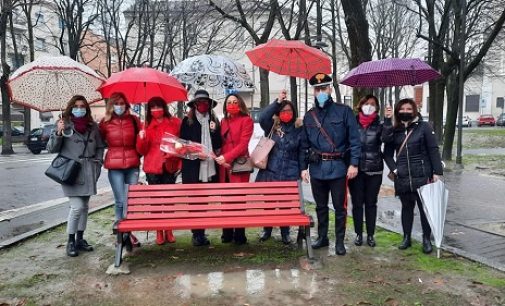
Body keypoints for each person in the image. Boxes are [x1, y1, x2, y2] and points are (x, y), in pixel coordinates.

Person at [300, 73, 361, 256]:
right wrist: (303, 168)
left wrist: (354, 164)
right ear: (313, 91)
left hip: (339, 168)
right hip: (317, 168)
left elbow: (355, 140)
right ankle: (323, 237)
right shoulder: (309, 116)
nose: (320, 92)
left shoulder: (344, 112)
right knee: (320, 206)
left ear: (329, 89)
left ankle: (340, 241)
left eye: (323, 88)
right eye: (317, 89)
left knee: (340, 207)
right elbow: (304, 144)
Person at [383, 98, 443, 254]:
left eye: (409, 109)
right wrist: (395, 170)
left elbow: (433, 149)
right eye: (402, 109)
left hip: (423, 175)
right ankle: (406, 237)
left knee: (425, 210)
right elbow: (387, 153)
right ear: (397, 111)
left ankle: (426, 239)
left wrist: (437, 172)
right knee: (406, 208)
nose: (405, 111)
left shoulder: (424, 127)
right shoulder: (394, 130)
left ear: (414, 110)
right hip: (403, 177)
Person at [47, 95, 105, 257]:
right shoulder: (63, 123)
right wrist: (58, 132)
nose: (79, 109)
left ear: (86, 108)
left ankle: (80, 239)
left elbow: (100, 146)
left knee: (85, 207)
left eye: (82, 106)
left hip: (89, 171)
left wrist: (98, 162)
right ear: (71, 107)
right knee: (77, 207)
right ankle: (70, 241)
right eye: (76, 106)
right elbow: (51, 148)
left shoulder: (92, 126)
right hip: (70, 172)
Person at [256, 89, 302, 245]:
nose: (286, 113)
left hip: (290, 172)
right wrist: (277, 102)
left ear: (293, 112)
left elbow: (302, 151)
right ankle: (267, 230)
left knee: (285, 205)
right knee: (269, 204)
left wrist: (302, 170)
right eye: (282, 111)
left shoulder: (298, 129)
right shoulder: (272, 126)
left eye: (288, 111)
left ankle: (285, 233)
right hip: (272, 172)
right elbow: (262, 117)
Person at [136, 96, 182, 245]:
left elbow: (181, 144)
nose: (156, 110)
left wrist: (175, 155)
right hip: (153, 166)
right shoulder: (146, 125)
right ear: (149, 110)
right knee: (156, 200)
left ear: (165, 107)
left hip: (170, 164)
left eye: (159, 106)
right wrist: (141, 138)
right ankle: (159, 231)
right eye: (153, 107)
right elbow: (142, 150)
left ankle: (169, 229)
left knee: (168, 199)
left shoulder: (175, 122)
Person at [348, 95, 392, 248]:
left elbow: (387, 139)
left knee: (371, 203)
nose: (369, 106)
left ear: (377, 108)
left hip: (374, 170)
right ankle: (359, 234)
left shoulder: (379, 124)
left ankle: (371, 235)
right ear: (360, 106)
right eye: (366, 104)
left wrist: (387, 120)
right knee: (357, 203)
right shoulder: (353, 123)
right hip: (356, 170)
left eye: (372, 104)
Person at [180, 89, 222, 246]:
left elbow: (218, 145)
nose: (202, 105)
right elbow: (182, 146)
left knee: (204, 200)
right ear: (194, 105)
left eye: (205, 102)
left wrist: (214, 131)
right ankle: (196, 234)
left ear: (209, 104)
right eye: (199, 102)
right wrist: (198, 154)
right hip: (192, 168)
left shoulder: (214, 121)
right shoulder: (187, 121)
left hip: (209, 167)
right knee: (194, 201)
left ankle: (201, 232)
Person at [215, 93, 254, 245]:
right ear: (225, 106)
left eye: (235, 102)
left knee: (238, 201)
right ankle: (226, 233)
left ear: (240, 105)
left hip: (239, 165)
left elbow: (243, 145)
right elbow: (221, 142)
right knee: (225, 201)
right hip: (224, 166)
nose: (231, 105)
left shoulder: (247, 120)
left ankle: (239, 235)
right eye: (229, 102)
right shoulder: (223, 121)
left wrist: (227, 157)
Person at [99, 92, 141, 222]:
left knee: (131, 200)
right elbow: (100, 141)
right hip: (115, 166)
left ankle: (129, 234)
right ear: (111, 105)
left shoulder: (134, 120)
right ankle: (120, 234)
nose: (119, 106)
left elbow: (140, 142)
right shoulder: (105, 122)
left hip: (132, 165)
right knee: (120, 201)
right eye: (116, 104)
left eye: (122, 103)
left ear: (126, 105)